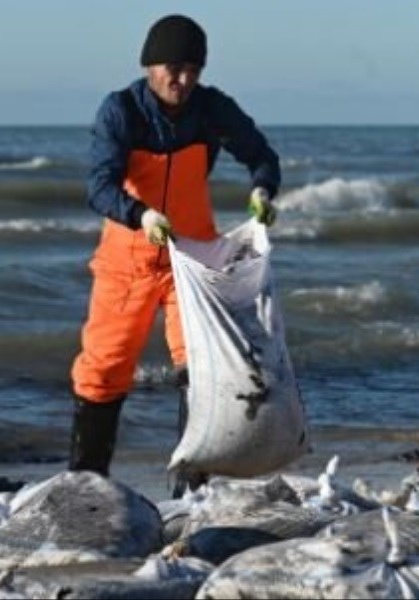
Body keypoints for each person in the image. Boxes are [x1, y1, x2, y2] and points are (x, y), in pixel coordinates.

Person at [68, 14, 282, 489]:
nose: (181, 80)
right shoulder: (121, 110)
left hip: (193, 262)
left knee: (202, 369)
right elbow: (99, 187)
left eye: (192, 69)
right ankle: (86, 484)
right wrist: (140, 214)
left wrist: (263, 191)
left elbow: (262, 156)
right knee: (104, 367)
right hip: (128, 260)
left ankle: (193, 490)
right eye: (171, 68)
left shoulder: (211, 109)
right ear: (149, 65)